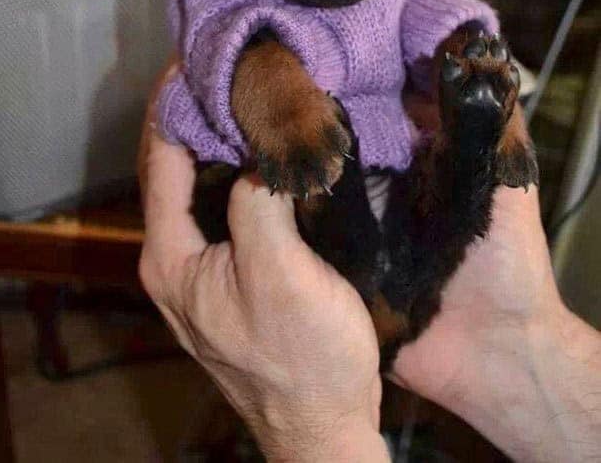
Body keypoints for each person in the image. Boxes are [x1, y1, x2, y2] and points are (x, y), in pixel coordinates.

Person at [138, 71, 601, 463]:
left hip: (360, 249)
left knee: (396, 245)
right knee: (437, 234)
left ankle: (391, 170)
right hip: (408, 267)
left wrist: (315, 430)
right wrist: (522, 337)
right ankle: (463, 155)